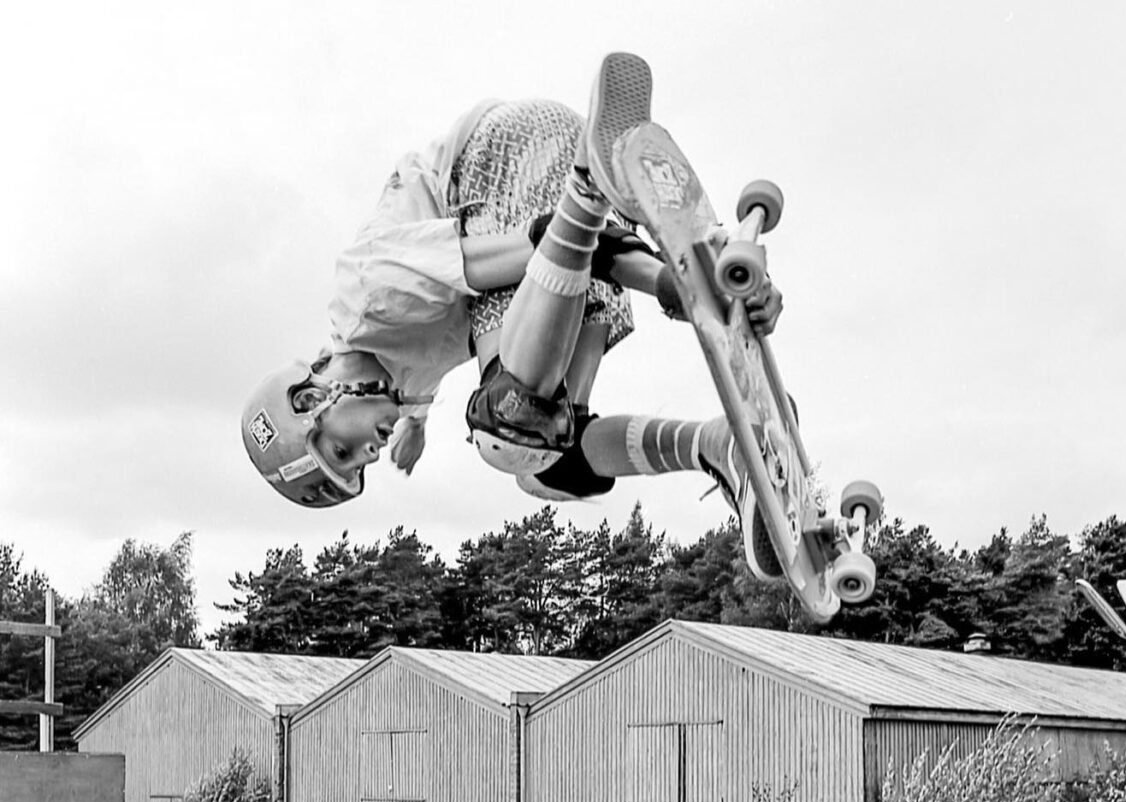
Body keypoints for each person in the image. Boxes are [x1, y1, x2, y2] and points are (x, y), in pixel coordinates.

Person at [240, 53, 781, 565]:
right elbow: (423, 367)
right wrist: (417, 424)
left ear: (314, 396)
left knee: (508, 426)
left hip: (508, 152)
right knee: (547, 465)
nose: (367, 457)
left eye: (341, 451)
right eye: (356, 470)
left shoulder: (365, 296)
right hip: (549, 199)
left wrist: (666, 281)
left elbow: (527, 250)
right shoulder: (398, 385)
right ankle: (718, 444)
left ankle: (589, 188)